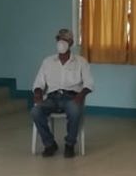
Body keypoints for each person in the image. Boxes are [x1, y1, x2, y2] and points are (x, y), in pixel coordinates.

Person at [31, 28, 94, 158]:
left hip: (72, 97)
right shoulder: (48, 62)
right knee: (36, 111)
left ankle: (69, 144)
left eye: (65, 39)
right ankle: (49, 144)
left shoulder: (81, 62)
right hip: (52, 98)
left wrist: (81, 96)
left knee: (75, 110)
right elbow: (38, 83)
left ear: (71, 42)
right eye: (59, 39)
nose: (62, 42)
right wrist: (37, 93)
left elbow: (89, 84)